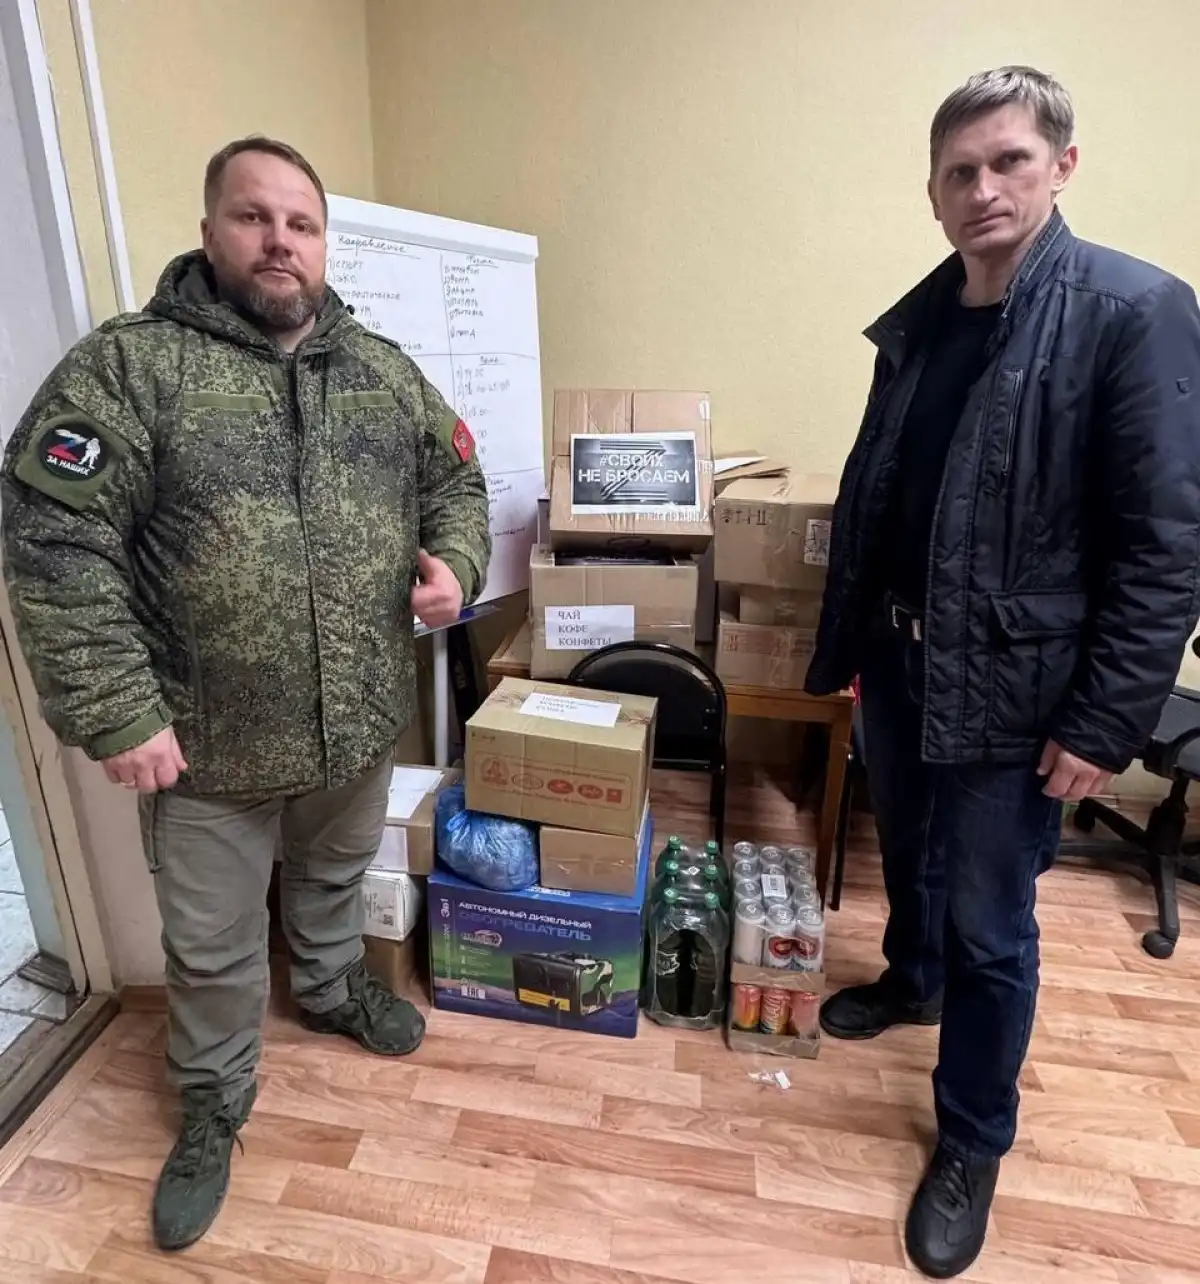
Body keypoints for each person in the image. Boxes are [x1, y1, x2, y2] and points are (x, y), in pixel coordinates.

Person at [1, 136, 491, 1252]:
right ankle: (214, 1103)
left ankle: (329, 988)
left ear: (324, 243)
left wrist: (457, 564)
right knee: (215, 946)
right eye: (253, 217)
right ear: (210, 231)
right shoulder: (130, 371)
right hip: (205, 749)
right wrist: (116, 710)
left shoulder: (379, 370)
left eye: (301, 224)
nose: (280, 241)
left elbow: (455, 476)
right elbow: (54, 545)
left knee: (330, 878)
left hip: (357, 725)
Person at [805, 67, 1200, 1279]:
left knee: (991, 919)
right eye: (960, 171)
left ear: (1061, 167)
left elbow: (1166, 544)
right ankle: (910, 981)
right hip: (903, 660)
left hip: (1021, 693)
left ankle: (973, 1137)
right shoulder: (922, 321)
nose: (984, 188)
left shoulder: (1134, 311)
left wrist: (1107, 719)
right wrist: (854, 644)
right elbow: (884, 493)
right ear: (932, 194)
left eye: (1009, 161)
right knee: (911, 862)